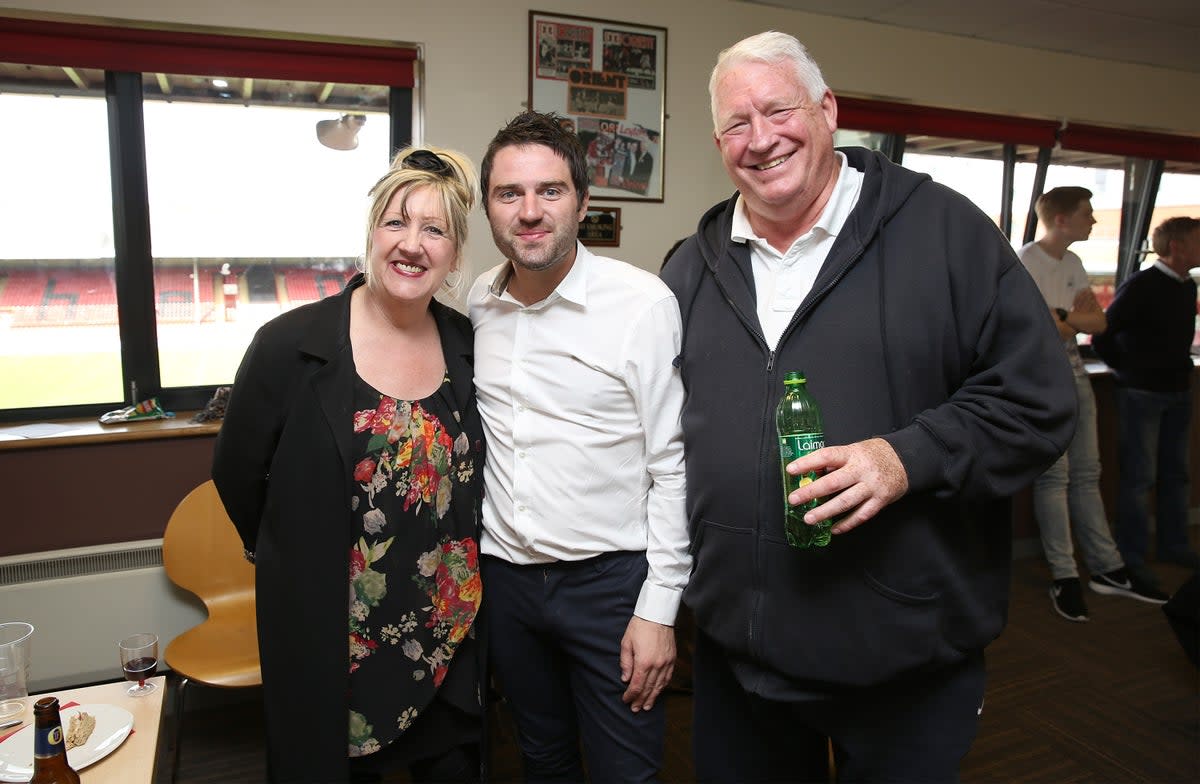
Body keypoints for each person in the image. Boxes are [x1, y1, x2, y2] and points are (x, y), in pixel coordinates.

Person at [659, 31, 1077, 782]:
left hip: (902, 657)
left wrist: (904, 456)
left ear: (826, 110)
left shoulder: (945, 233)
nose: (760, 139)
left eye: (777, 110)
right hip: (738, 658)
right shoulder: (692, 265)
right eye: (735, 125)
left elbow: (1037, 401)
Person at [212, 146, 486, 783]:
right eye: (396, 222)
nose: (411, 244)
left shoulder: (468, 345)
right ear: (371, 233)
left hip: (447, 642)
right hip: (335, 650)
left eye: (434, 229)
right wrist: (294, 555)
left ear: (453, 252)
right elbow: (237, 475)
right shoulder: (289, 346)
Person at [468, 111, 690, 783]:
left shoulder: (642, 304)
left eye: (551, 191)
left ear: (583, 201)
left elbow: (673, 467)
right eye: (510, 194)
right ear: (489, 208)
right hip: (505, 580)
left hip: (610, 586)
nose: (530, 212)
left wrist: (659, 609)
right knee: (542, 759)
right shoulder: (479, 300)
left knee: (626, 770)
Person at [1018, 187, 1168, 621]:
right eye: (1088, 213)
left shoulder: (1075, 262)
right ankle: (1064, 576)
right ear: (1062, 219)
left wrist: (1060, 316)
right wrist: (1068, 318)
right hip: (1041, 384)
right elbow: (1038, 328)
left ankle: (1107, 569)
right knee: (1055, 478)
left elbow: (1096, 323)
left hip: (1078, 378)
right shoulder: (1026, 261)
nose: (1095, 221)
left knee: (1088, 474)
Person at [1093, 216, 1200, 582]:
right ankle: (1133, 554)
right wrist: (1129, 371)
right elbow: (1103, 336)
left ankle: (1174, 545)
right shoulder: (1140, 285)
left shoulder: (1187, 287)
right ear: (1177, 246)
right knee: (1139, 479)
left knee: (1177, 475)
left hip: (1178, 393)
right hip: (1141, 394)